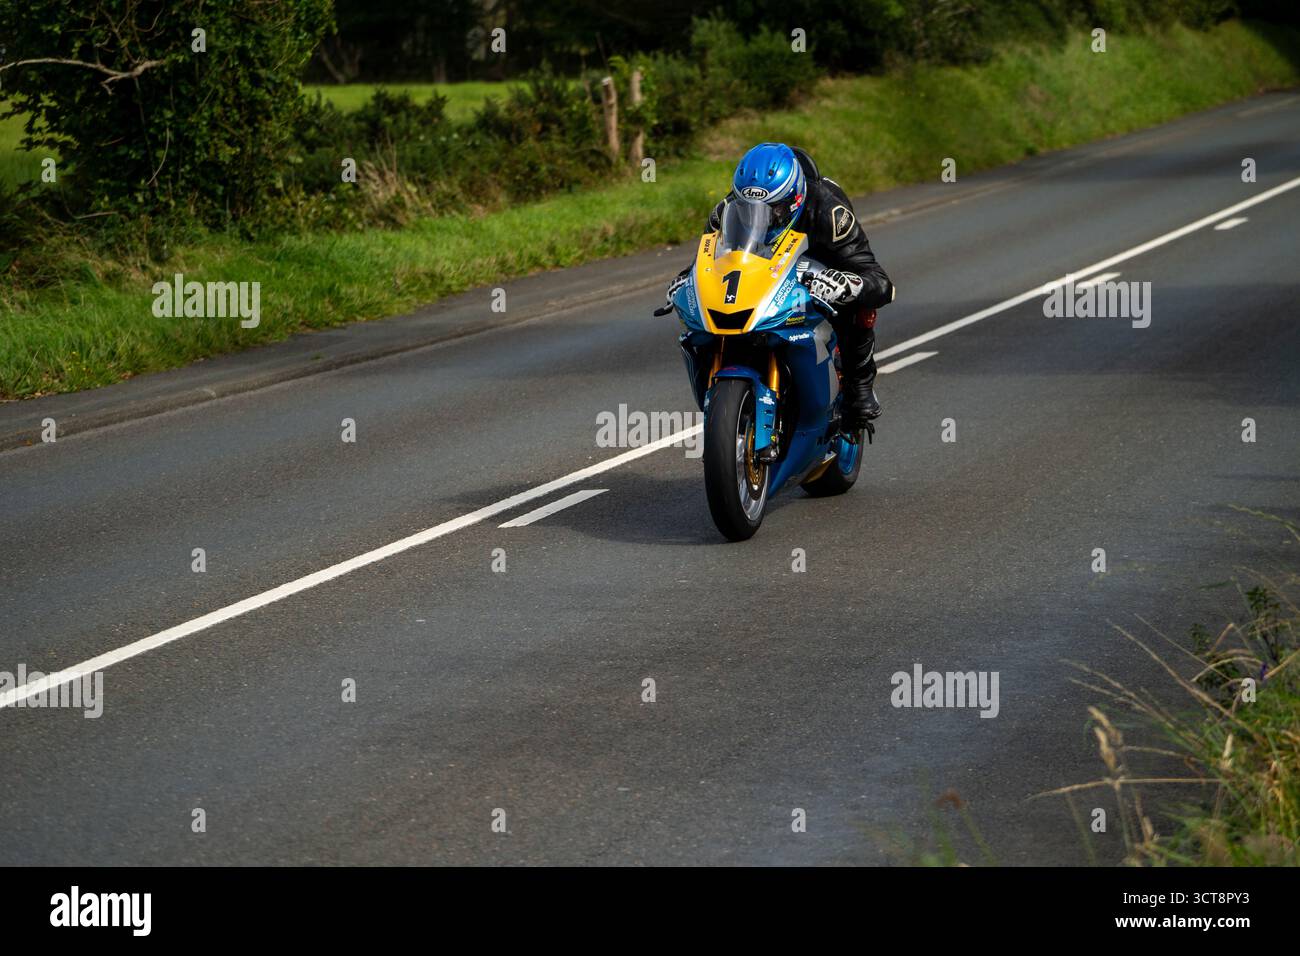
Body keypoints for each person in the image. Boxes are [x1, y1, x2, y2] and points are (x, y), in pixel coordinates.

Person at [667, 142, 895, 425]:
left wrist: (849, 284)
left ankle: (860, 386)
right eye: (750, 208)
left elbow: (880, 281)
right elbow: (709, 261)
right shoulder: (725, 211)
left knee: (858, 308)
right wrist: (687, 280)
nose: (765, 217)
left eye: (774, 209)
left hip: (820, 262)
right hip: (765, 268)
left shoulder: (829, 212)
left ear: (795, 198)